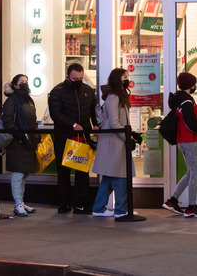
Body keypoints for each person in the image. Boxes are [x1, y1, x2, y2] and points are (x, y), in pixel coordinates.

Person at [48, 62, 98, 214]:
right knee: (63, 171)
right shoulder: (57, 92)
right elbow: (56, 114)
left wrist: (95, 125)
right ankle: (64, 203)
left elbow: (92, 110)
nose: (78, 82)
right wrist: (72, 125)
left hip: (81, 136)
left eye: (81, 78)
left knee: (82, 170)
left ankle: (80, 203)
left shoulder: (88, 91)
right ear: (68, 77)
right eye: (75, 79)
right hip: (64, 135)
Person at [161, 72, 197, 218]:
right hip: (189, 140)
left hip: (183, 140)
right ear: (190, 85)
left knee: (191, 172)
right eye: (194, 83)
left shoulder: (180, 99)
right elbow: (191, 123)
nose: (195, 86)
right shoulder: (186, 102)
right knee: (196, 172)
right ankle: (191, 207)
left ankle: (172, 201)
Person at [92, 68, 136, 217]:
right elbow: (114, 122)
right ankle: (121, 210)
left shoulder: (117, 96)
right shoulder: (114, 97)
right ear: (118, 79)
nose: (127, 79)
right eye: (125, 77)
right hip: (114, 142)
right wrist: (127, 137)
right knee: (119, 176)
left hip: (114, 141)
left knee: (109, 177)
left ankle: (98, 208)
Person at [2, 73, 39, 217]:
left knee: (24, 174)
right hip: (17, 142)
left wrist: (35, 137)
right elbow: (7, 120)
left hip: (28, 141)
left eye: (26, 81)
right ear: (15, 85)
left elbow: (33, 119)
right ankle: (18, 204)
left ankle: (21, 202)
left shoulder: (29, 100)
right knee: (17, 174)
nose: (25, 83)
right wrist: (20, 135)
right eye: (22, 81)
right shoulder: (12, 100)